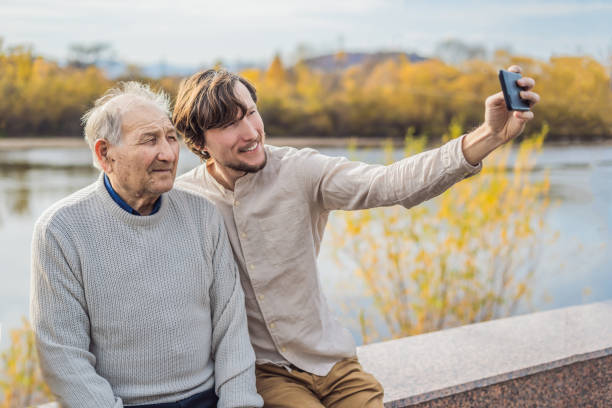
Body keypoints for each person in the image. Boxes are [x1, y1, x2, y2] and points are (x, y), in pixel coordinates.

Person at [172, 66, 539, 407]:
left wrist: (489, 135)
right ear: (198, 142)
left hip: (334, 363)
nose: (251, 132)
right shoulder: (184, 201)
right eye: (230, 125)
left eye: (251, 113)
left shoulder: (300, 171)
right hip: (265, 372)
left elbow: (391, 183)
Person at [30, 82, 263, 408]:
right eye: (149, 140)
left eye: (170, 137)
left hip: (208, 399)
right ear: (104, 154)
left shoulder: (202, 215)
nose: (168, 154)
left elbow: (232, 329)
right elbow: (63, 355)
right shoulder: (61, 229)